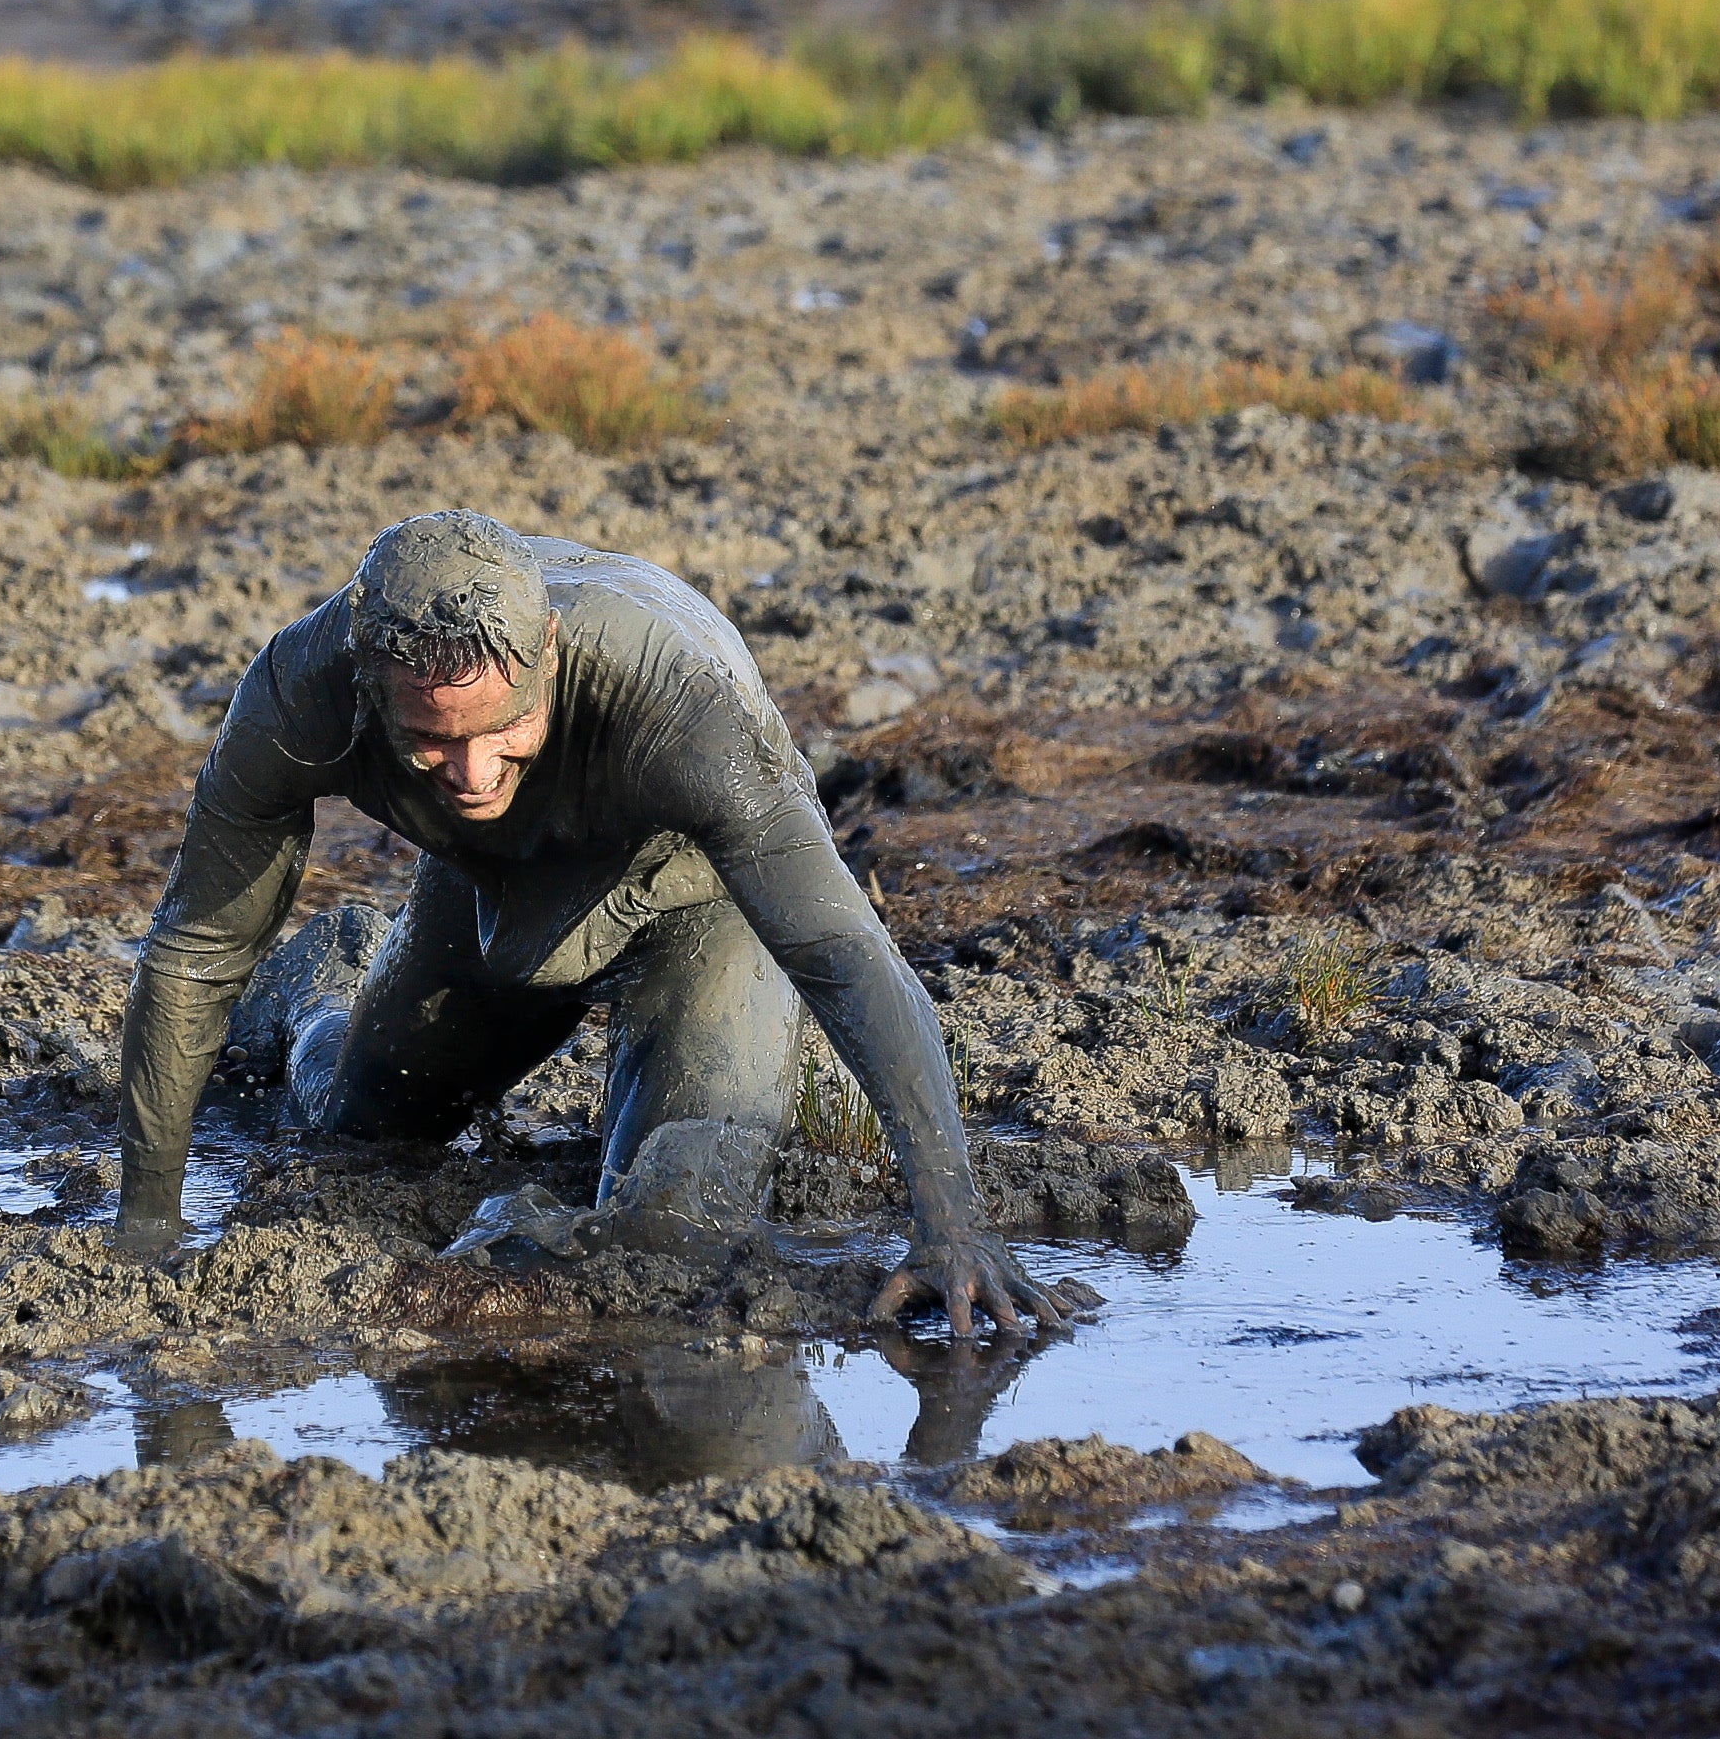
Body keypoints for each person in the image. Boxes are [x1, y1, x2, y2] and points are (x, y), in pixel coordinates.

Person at [113, 510, 1097, 1342]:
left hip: (697, 908)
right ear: (366, 688)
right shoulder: (298, 691)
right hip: (491, 898)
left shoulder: (681, 703)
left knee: (675, 1238)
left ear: (547, 655)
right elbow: (197, 945)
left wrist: (954, 1226)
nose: (473, 776)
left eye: (505, 732)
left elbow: (843, 952)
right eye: (430, 743)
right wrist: (148, 1228)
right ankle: (321, 994)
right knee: (356, 1129)